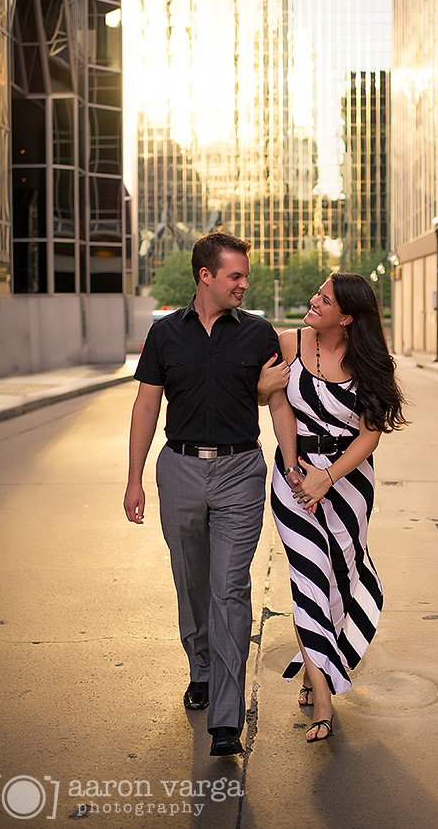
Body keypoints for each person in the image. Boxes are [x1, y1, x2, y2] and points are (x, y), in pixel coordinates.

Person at [123, 232, 302, 757]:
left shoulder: (258, 334)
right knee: (191, 580)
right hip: (178, 468)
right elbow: (146, 407)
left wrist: (292, 467)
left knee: (229, 587)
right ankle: (200, 665)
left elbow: (278, 404)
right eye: (236, 276)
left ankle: (226, 716)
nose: (244, 284)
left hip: (240, 471)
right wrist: (134, 477)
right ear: (206, 276)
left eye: (244, 276)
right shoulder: (165, 336)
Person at [270, 272, 408, 743]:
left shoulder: (371, 362)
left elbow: (370, 434)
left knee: (341, 577)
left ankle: (317, 666)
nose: (313, 300)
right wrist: (295, 471)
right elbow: (279, 406)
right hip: (293, 476)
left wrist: (328, 478)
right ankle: (324, 698)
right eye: (317, 293)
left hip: (348, 483)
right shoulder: (289, 343)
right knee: (309, 577)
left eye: (324, 299)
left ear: (347, 317)